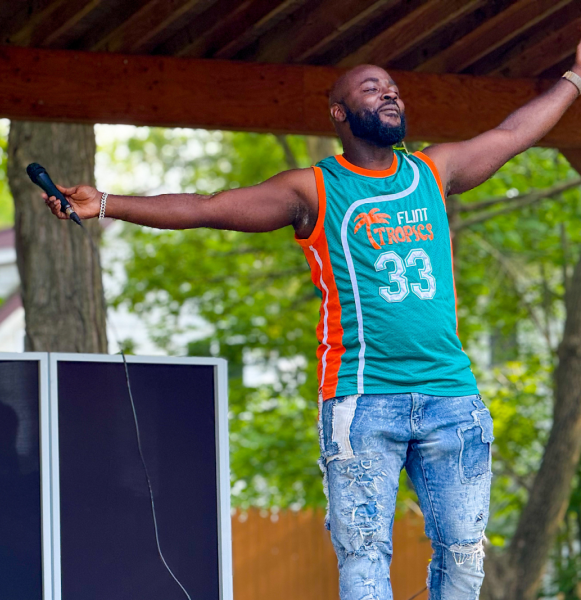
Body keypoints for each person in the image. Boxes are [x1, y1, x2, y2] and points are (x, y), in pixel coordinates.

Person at [42, 41, 581, 600]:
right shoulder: (314, 188)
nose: (389, 92)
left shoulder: (433, 170)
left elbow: (514, 134)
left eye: (393, 86)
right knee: (365, 561)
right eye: (371, 88)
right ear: (339, 113)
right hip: (363, 402)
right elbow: (207, 205)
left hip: (452, 400)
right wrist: (105, 202)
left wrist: (575, 78)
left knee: (464, 557)